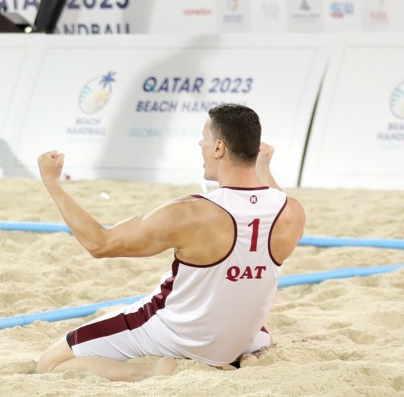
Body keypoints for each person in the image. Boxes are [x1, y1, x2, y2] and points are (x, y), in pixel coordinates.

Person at [35, 104, 306, 382]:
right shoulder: (292, 213)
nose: (200, 143)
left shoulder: (191, 212)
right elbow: (271, 198)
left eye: (205, 137)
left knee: (51, 363)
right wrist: (263, 168)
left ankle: (146, 371)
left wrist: (53, 183)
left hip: (179, 337)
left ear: (219, 149)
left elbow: (99, 243)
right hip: (242, 341)